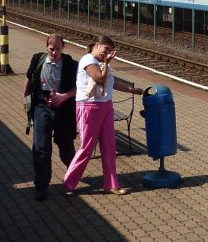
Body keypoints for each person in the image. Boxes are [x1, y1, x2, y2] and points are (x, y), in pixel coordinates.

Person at [62, 36, 143, 196]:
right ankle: (69, 183)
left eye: (109, 52)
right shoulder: (88, 59)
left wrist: (131, 90)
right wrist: (106, 63)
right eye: (105, 50)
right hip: (88, 107)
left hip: (106, 106)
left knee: (109, 147)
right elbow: (99, 79)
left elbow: (110, 81)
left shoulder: (102, 63)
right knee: (87, 148)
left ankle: (111, 184)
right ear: (97, 45)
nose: (106, 54)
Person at [23, 34, 80, 201]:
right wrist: (25, 98)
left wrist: (63, 96)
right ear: (46, 47)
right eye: (51, 49)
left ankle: (72, 178)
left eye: (57, 49)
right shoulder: (37, 60)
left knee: (66, 147)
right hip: (42, 107)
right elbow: (28, 79)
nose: (54, 53)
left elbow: (78, 88)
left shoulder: (71, 64)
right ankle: (41, 186)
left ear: (63, 47)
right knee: (40, 147)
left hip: (63, 110)